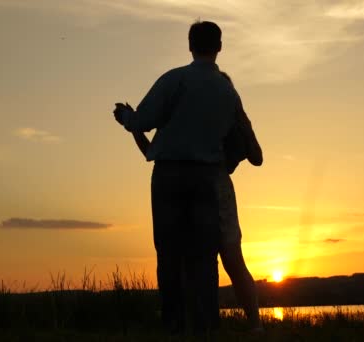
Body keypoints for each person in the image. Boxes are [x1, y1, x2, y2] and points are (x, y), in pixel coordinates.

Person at [113, 21, 237, 334]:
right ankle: (207, 324)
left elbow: (142, 120)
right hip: (206, 176)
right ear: (219, 46)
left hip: (169, 175)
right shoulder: (227, 89)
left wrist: (125, 117)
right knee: (206, 255)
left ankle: (174, 325)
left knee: (169, 253)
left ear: (190, 45)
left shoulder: (175, 79)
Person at [129, 71, 264, 332]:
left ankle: (228, 325)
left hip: (213, 189)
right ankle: (250, 326)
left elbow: (152, 152)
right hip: (217, 186)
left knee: (208, 259)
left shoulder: (198, 119)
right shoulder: (226, 114)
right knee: (225, 260)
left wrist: (134, 126)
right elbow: (256, 156)